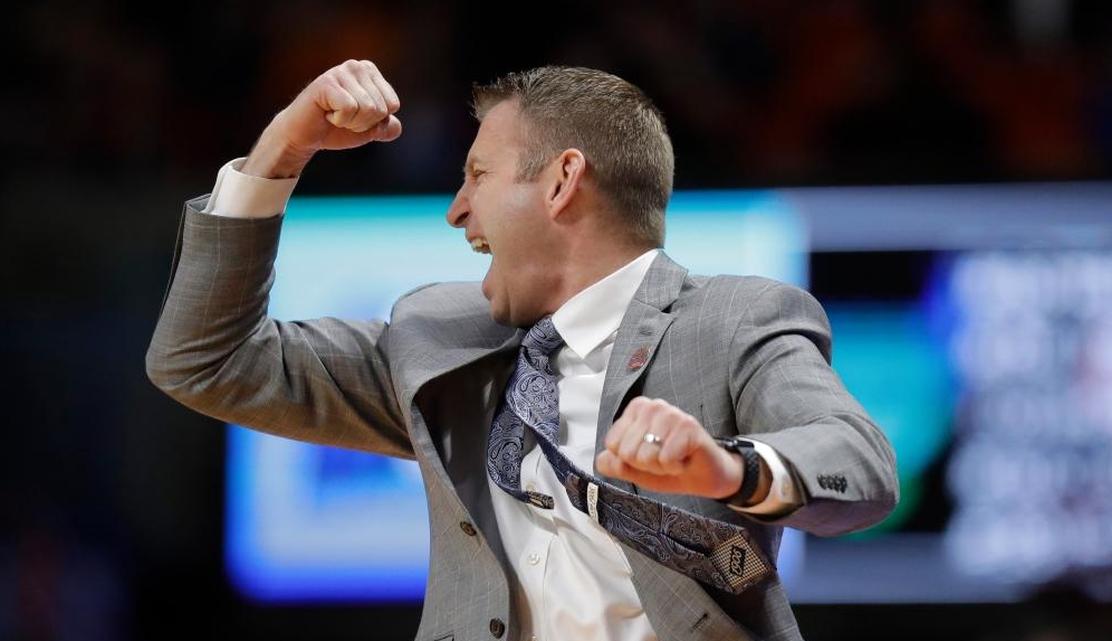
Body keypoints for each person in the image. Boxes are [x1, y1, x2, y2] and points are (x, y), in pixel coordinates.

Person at [146, 59, 898, 641]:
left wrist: (727, 466)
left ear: (563, 181)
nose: (456, 210)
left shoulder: (734, 317)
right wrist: (282, 148)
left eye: (477, 175)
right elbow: (205, 362)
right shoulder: (436, 340)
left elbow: (857, 463)